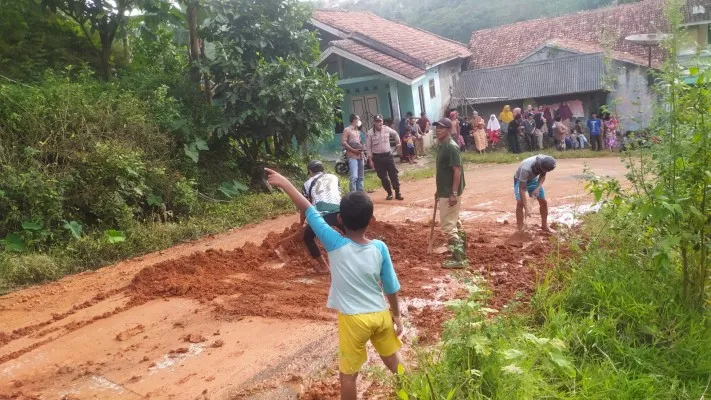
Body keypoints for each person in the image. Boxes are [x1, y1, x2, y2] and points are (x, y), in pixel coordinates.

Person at [264, 168, 405, 400]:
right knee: (395, 362)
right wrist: (396, 315)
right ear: (371, 220)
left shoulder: (334, 242)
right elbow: (390, 287)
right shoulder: (380, 247)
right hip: (380, 315)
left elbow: (309, 210)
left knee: (348, 375)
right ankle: (414, 393)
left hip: (354, 320)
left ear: (339, 219)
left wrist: (285, 183)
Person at [301, 160, 345, 273]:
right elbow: (339, 193)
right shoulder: (334, 177)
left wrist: (302, 223)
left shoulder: (307, 184)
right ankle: (360, 256)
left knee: (307, 237)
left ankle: (324, 267)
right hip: (340, 212)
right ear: (323, 169)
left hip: (322, 215)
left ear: (310, 171)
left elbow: (305, 206)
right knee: (350, 233)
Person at [433, 118, 467, 267]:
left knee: (448, 225)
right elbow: (444, 172)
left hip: (450, 193)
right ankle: (462, 249)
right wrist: (438, 191)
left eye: (441, 128)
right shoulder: (443, 145)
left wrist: (453, 193)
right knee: (455, 220)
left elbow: (457, 170)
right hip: (445, 190)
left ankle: (458, 259)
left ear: (448, 129)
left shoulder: (451, 146)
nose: (437, 130)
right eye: (437, 128)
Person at [514, 154, 557, 234]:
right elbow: (522, 188)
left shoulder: (546, 162)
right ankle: (520, 228)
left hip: (533, 180)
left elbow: (543, 175)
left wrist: (538, 188)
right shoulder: (526, 168)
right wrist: (526, 208)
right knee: (520, 203)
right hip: (520, 180)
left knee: (543, 202)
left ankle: (544, 225)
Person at [366, 115, 404, 201]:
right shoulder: (370, 133)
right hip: (377, 158)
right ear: (374, 122)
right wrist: (370, 160)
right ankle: (389, 193)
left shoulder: (386, 129)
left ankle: (397, 193)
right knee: (383, 177)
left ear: (382, 121)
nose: (379, 123)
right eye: (377, 121)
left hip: (388, 156)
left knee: (393, 174)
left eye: (380, 121)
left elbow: (395, 134)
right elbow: (368, 147)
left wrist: (398, 142)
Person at [341, 114, 364, 192]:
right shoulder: (347, 130)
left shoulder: (358, 131)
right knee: (354, 176)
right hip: (352, 156)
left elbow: (360, 141)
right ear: (354, 120)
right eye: (358, 119)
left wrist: (362, 147)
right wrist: (353, 150)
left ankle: (360, 193)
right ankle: (353, 194)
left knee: (360, 176)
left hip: (360, 156)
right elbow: (344, 142)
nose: (359, 121)